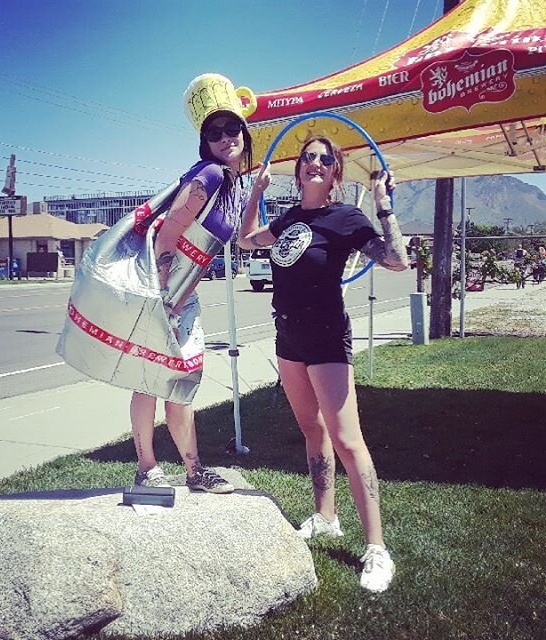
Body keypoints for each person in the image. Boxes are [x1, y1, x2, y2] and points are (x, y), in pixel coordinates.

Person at [238, 136, 408, 592]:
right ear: (299, 171)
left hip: (327, 335)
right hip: (288, 334)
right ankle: (325, 517)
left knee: (347, 440)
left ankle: (377, 548)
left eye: (325, 159)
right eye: (308, 157)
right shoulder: (291, 218)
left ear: (335, 172)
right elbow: (245, 238)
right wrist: (256, 190)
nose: (315, 163)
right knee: (312, 431)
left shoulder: (346, 218)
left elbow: (396, 260)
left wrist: (383, 205)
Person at [131, 73, 253, 494]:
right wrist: (165, 297)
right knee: (154, 380)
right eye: (213, 131)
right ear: (204, 140)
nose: (225, 137)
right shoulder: (211, 176)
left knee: (176, 382)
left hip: (182, 292)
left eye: (231, 126)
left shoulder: (232, 181)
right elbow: (167, 234)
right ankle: (151, 468)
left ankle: (189, 470)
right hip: (165, 292)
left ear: (243, 128)